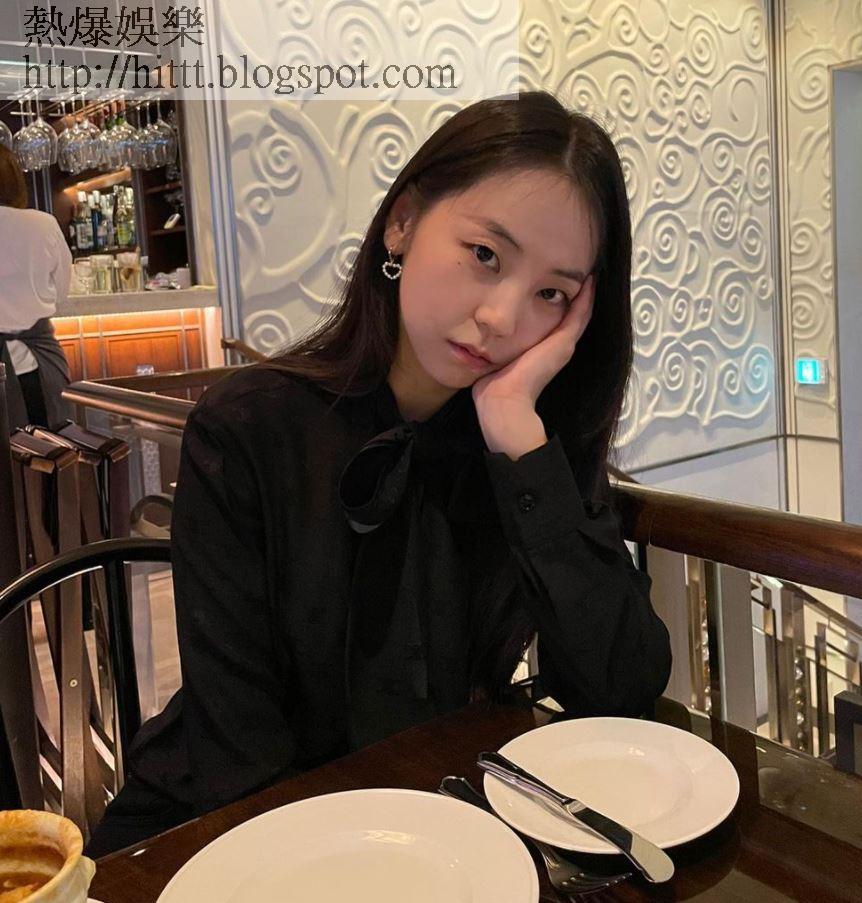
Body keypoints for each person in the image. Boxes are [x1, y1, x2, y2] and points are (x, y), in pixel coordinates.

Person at [85, 90, 672, 856]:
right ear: (403, 222)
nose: (502, 317)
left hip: (433, 829)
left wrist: (519, 439)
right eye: (485, 255)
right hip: (216, 838)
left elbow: (622, 687)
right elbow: (240, 759)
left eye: (550, 294)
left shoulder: (525, 444)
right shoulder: (248, 430)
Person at [0, 145, 73, 431]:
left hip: (23, 366)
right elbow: (62, 292)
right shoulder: (44, 224)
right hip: (42, 364)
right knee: (52, 448)